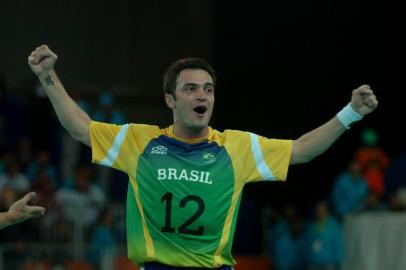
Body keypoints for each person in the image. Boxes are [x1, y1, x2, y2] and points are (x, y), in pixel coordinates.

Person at [27, 44, 378, 270]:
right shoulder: (139, 141)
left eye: (208, 89)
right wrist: (48, 76)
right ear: (170, 100)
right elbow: (79, 128)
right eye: (191, 88)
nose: (203, 95)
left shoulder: (237, 147)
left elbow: (301, 150)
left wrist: (350, 114)